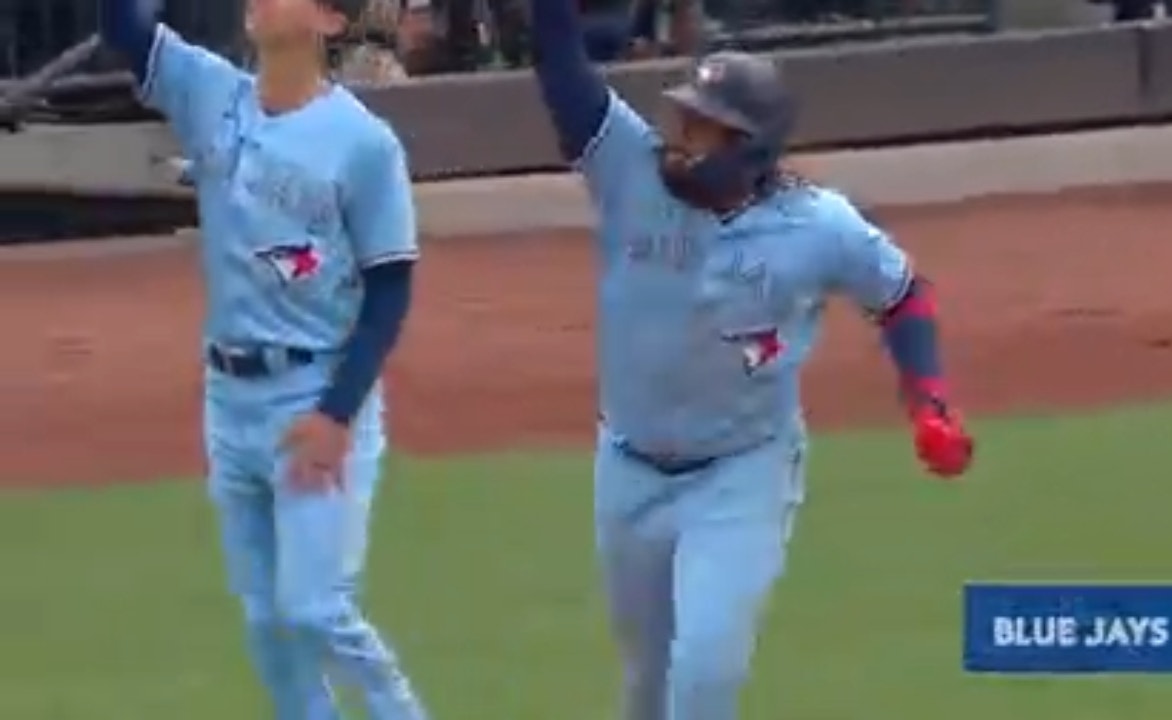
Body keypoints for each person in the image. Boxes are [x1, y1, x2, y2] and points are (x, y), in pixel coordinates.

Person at [528, 0, 975, 716]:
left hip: (741, 476)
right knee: (646, 684)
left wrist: (929, 400)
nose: (681, 137)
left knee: (703, 675)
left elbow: (901, 294)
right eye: (684, 119)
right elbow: (558, 65)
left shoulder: (817, 226)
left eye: (705, 128)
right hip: (627, 468)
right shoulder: (629, 170)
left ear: (752, 149)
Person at [99, 0, 430, 718]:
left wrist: (336, 415)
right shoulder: (210, 92)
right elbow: (123, 29)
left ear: (330, 23)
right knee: (265, 622)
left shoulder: (363, 144)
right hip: (229, 399)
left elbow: (390, 288)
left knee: (314, 608)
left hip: (314, 392)